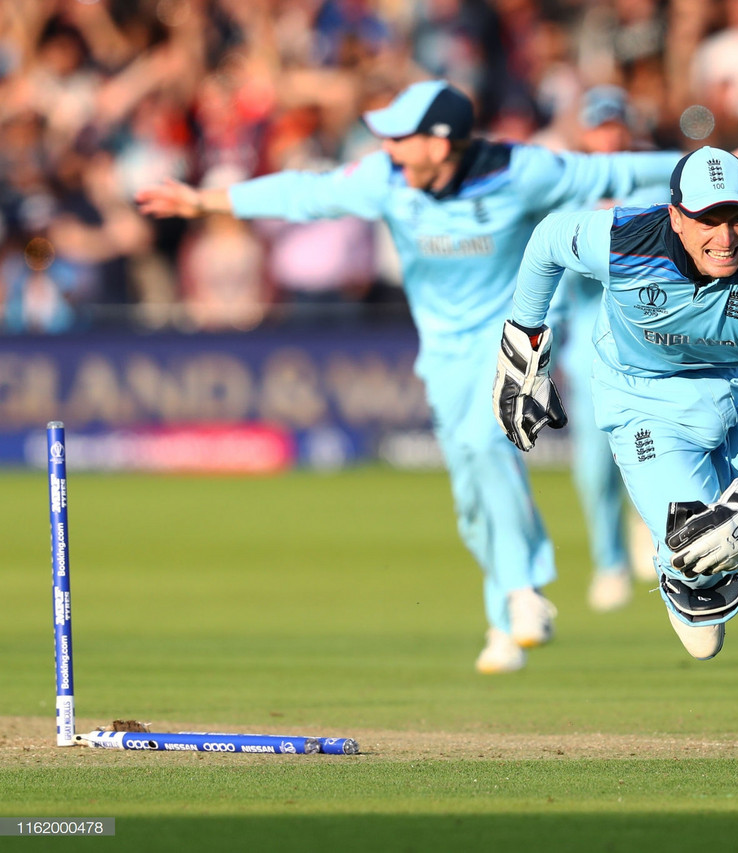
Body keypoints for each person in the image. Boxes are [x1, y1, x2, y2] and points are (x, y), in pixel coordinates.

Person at [135, 79, 688, 674]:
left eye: (402, 137)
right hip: (442, 353)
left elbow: (611, 174)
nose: (390, 148)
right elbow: (307, 193)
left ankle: (525, 589)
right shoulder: (386, 179)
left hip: (512, 337)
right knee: (470, 497)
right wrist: (207, 203)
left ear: (441, 142)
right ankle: (504, 619)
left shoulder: (517, 170)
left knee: (485, 442)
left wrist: (708, 170)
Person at [492, 147, 738, 765]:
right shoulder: (623, 239)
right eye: (708, 220)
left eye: (737, 217)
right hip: (645, 403)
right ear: (677, 216)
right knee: (700, 597)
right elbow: (549, 239)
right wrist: (525, 339)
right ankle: (681, 572)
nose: (726, 237)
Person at [551, 85, 666, 613]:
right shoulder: (567, 193)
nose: (609, 135)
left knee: (662, 447)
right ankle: (609, 561)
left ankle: (657, 534)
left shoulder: (656, 185)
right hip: (589, 347)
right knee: (595, 467)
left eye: (615, 124)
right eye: (599, 126)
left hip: (653, 345)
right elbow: (552, 274)